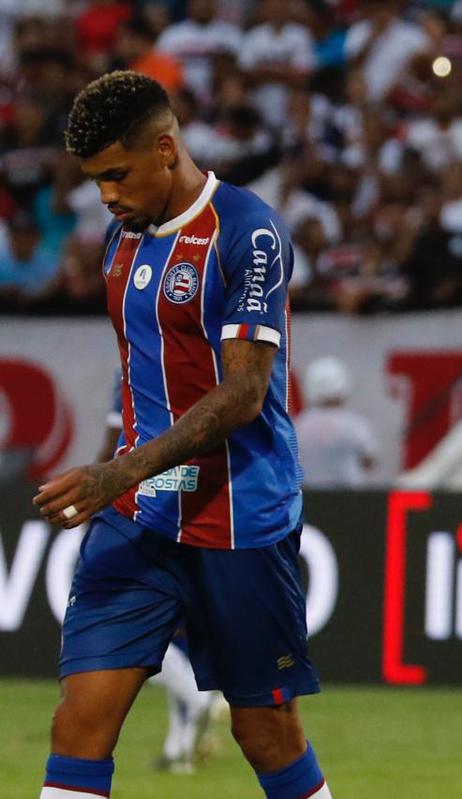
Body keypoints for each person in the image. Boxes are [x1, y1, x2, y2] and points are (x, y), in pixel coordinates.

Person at [33, 72, 331, 799]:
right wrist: (118, 474)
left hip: (238, 517)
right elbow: (143, 369)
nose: (105, 194)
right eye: (95, 179)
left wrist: (118, 470)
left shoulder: (247, 232)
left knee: (266, 733)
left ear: (165, 149)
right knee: (81, 720)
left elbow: (243, 393)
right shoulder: (120, 239)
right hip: (143, 510)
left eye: (116, 174)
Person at [97, 370, 227, 776]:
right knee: (179, 632)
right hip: (204, 510)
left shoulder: (134, 369)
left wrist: (95, 490)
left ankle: (201, 699)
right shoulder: (213, 367)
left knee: (118, 626)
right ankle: (179, 748)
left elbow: (112, 441)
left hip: (149, 511)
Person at [294, 356, 377, 489]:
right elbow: (369, 460)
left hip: (310, 499)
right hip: (350, 499)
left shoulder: (299, 425)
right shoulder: (354, 424)